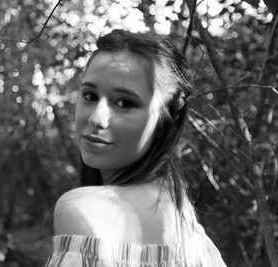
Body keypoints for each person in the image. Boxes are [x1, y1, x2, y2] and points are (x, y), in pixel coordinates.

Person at [45, 29, 226, 267]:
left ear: (167, 119)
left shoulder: (85, 213)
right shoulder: (182, 214)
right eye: (90, 96)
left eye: (124, 103)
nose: (97, 118)